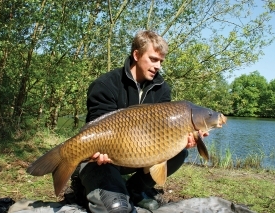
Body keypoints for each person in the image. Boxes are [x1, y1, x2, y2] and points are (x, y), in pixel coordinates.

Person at [67, 30, 208, 213]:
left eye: (161, 61)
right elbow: (97, 124)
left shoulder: (162, 89)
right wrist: (96, 151)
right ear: (136, 54)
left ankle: (135, 189)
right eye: (153, 59)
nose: (158, 66)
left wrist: (182, 138)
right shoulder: (107, 84)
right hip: (102, 158)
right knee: (117, 209)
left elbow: (165, 129)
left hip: (138, 154)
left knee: (179, 153)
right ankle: (82, 181)